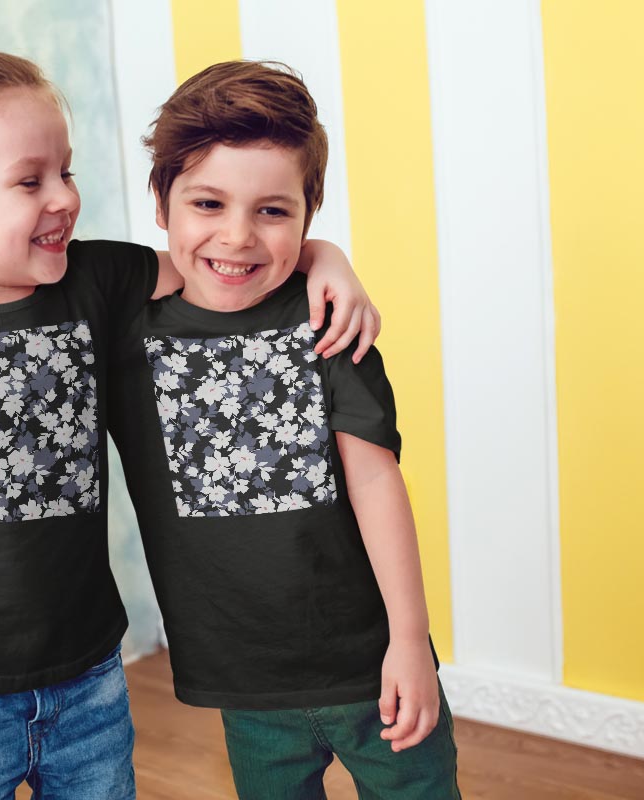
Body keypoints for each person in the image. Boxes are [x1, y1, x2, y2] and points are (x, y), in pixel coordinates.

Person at [0, 37, 379, 800]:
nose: (63, 197)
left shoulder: (97, 278)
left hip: (90, 679)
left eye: (67, 172)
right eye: (30, 181)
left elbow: (226, 267)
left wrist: (326, 256)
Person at [106, 60, 461, 798]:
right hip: (244, 679)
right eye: (208, 203)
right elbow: (6, 284)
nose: (236, 236)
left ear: (307, 213)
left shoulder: (327, 321)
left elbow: (376, 481)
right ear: (162, 203)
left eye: (272, 211)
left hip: (371, 665)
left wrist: (409, 642)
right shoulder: (119, 326)